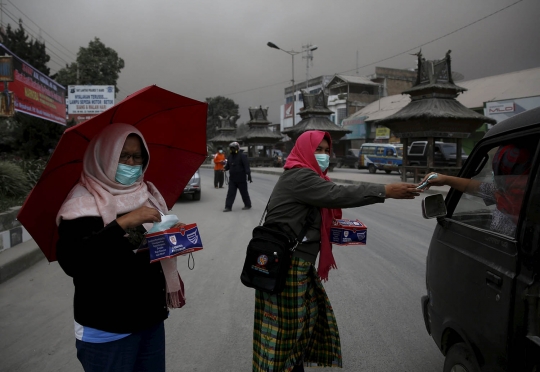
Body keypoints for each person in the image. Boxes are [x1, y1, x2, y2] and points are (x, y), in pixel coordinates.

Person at [252, 130, 420, 371]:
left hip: (295, 263)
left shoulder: (310, 177)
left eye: (325, 150)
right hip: (287, 265)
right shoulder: (300, 176)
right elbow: (337, 195)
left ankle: (292, 366)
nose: (323, 155)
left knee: (302, 323)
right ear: (303, 150)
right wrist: (386, 191)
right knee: (285, 329)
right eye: (317, 150)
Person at [56, 123, 185, 372]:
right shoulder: (81, 203)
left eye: (137, 157)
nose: (130, 163)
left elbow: (145, 250)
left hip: (150, 321)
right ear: (105, 157)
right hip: (107, 330)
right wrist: (123, 222)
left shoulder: (146, 194)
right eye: (122, 156)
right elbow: (74, 263)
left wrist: (174, 235)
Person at [419, 143, 533, 237]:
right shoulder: (506, 193)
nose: (498, 177)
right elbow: (475, 187)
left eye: (502, 171)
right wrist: (445, 179)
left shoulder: (527, 201)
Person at [223, 141, 252, 212]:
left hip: (241, 178)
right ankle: (228, 207)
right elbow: (228, 166)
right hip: (232, 179)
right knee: (230, 193)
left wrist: (248, 175)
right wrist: (224, 169)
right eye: (231, 148)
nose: (232, 150)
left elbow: (246, 166)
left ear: (237, 148)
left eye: (233, 148)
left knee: (244, 193)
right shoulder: (230, 157)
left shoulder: (242, 156)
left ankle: (248, 205)